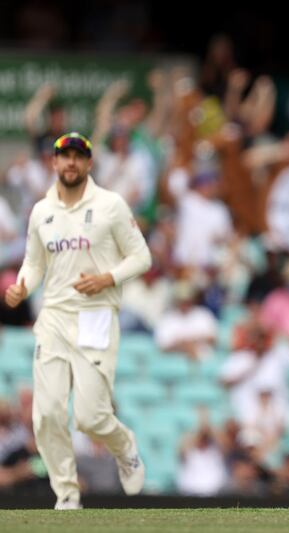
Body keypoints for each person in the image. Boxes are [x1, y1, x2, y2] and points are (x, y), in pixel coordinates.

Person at [3, 132, 152, 509]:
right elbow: (35, 262)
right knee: (47, 413)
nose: (70, 162)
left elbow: (142, 257)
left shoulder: (111, 205)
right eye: (63, 156)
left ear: (88, 163)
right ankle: (67, 493)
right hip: (53, 317)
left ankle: (126, 447)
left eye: (78, 156)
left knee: (90, 417)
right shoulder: (42, 212)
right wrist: (22, 287)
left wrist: (107, 278)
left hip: (95, 316)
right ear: (54, 163)